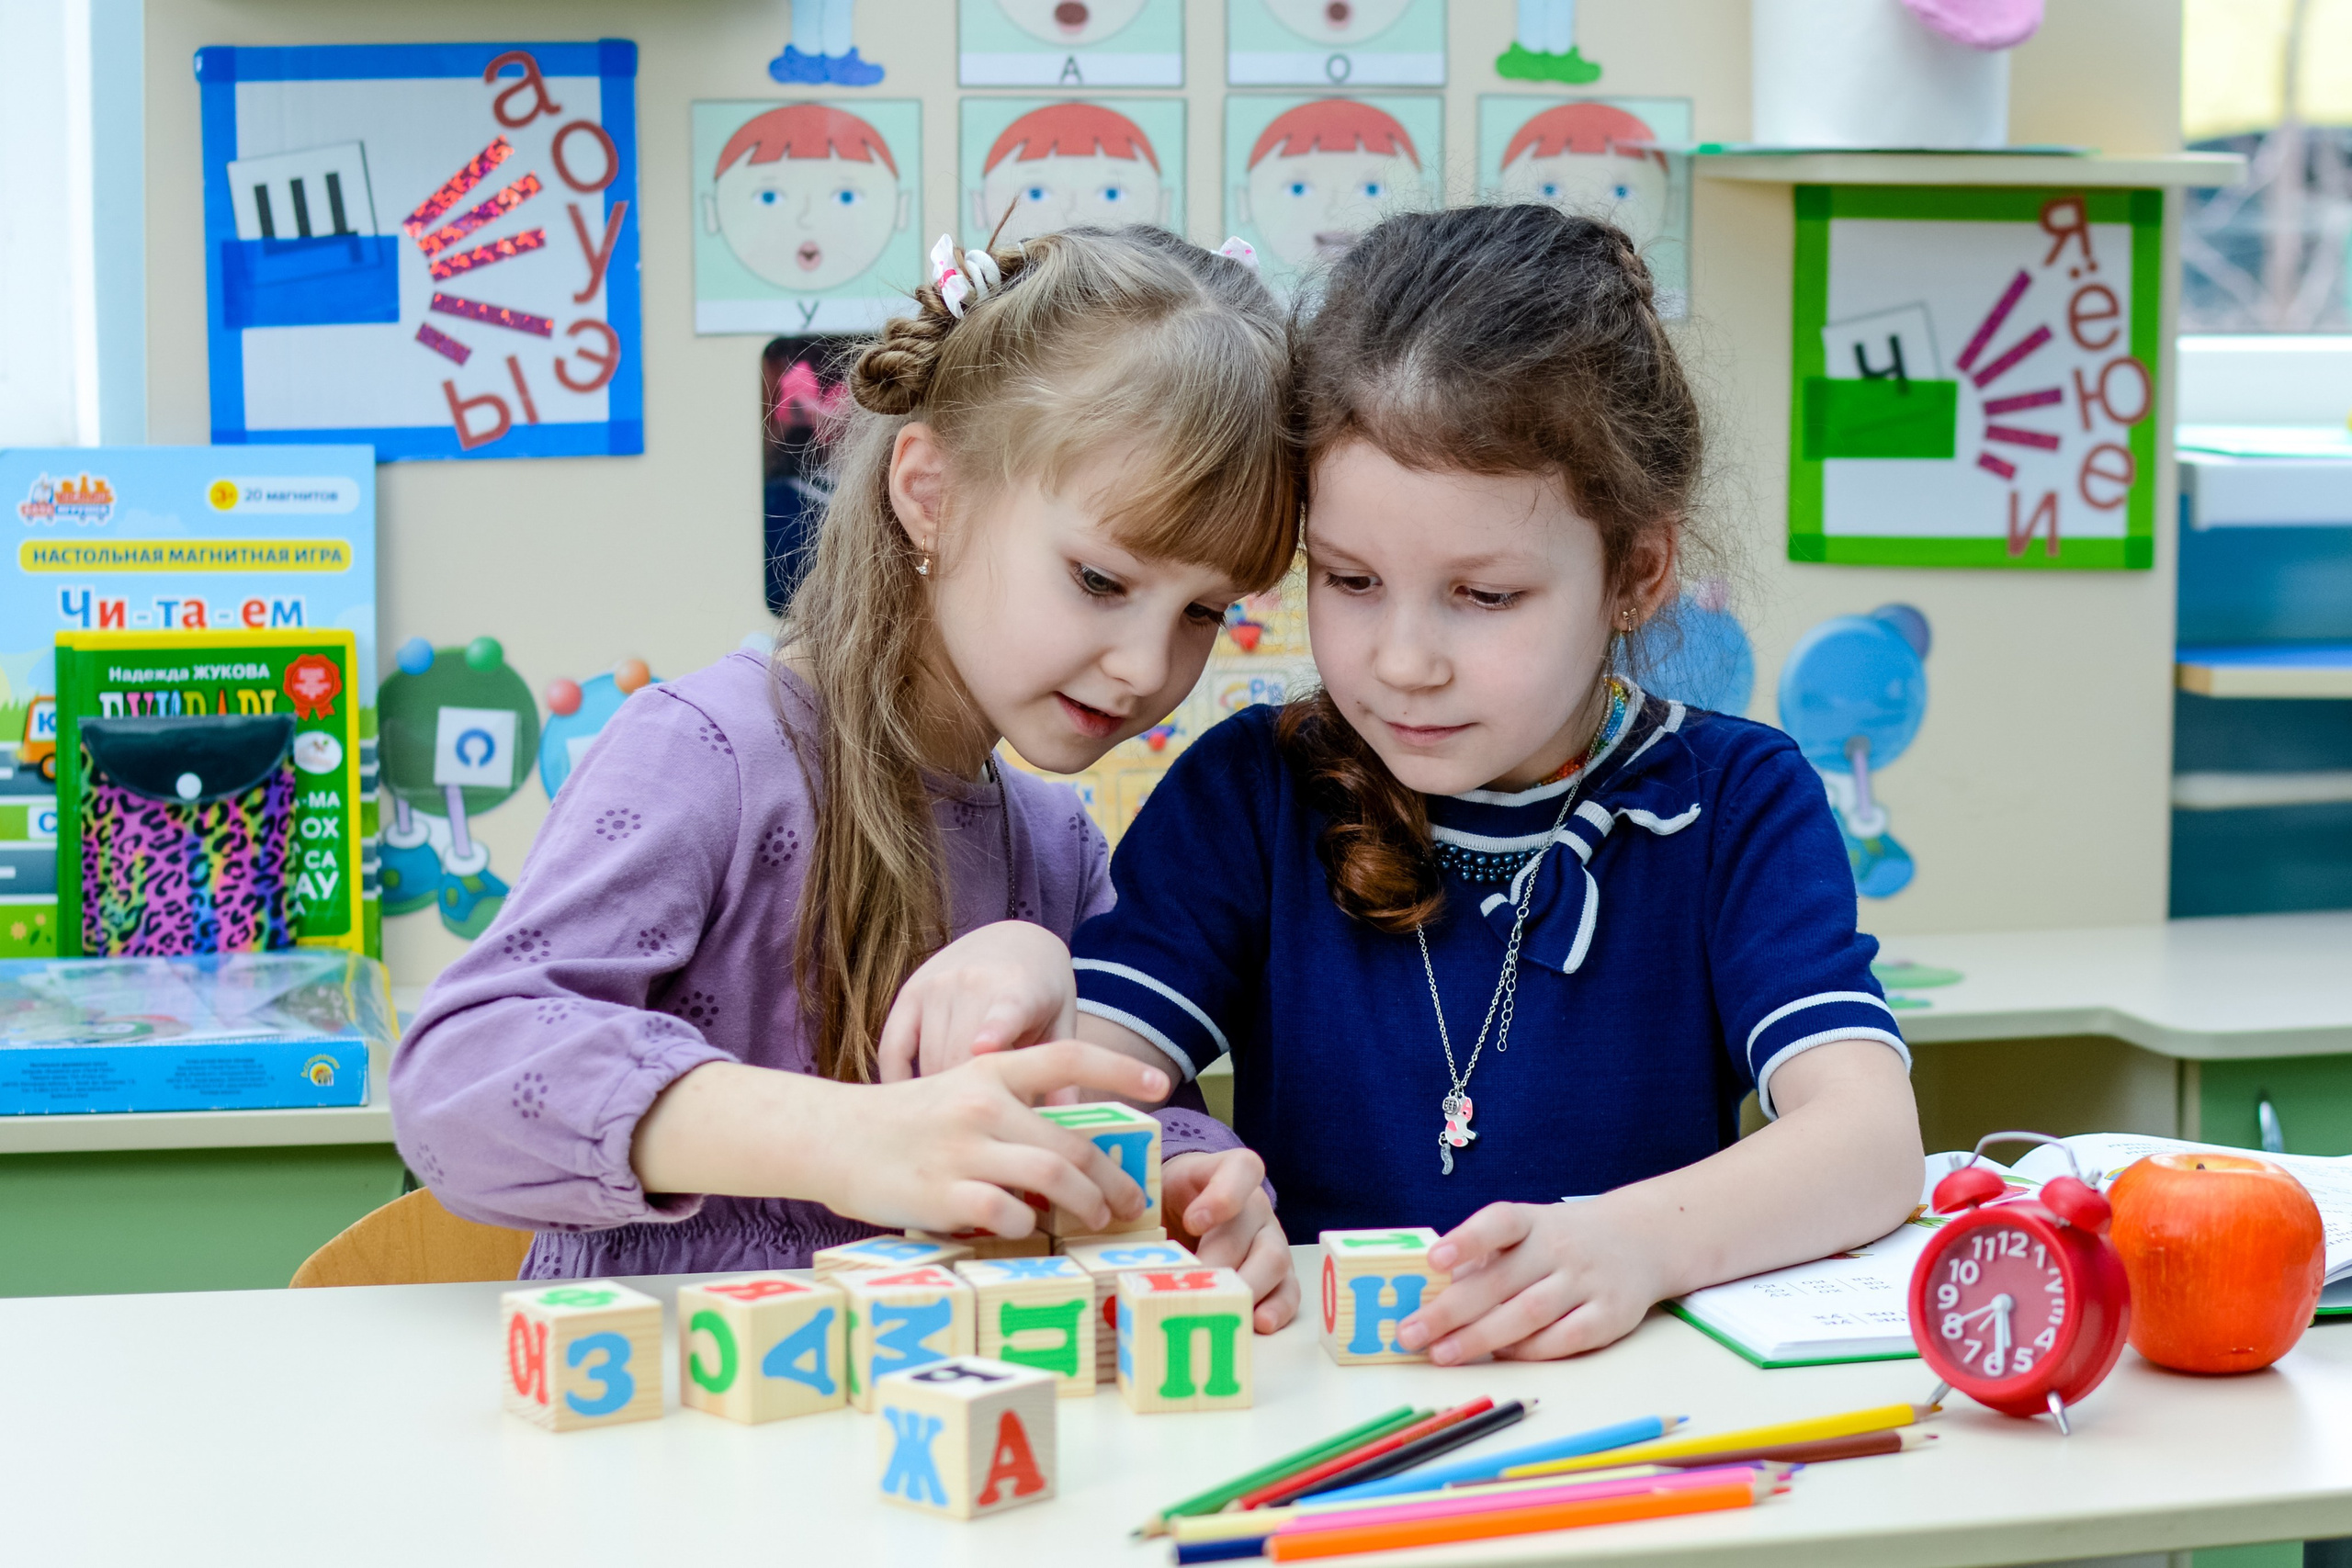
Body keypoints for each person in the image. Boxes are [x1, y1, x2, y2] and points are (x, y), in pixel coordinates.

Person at [978, 205, 1924, 1363]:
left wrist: (1634, 1244)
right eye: (1351, 579)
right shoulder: (1253, 795)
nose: (1403, 662)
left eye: (1482, 597)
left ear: (1634, 570)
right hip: (1330, 1417)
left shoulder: (1734, 803)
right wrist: (1163, 1159)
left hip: (1624, 1427)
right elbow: (1081, 1084)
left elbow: (1871, 1140)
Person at [390, 227, 1300, 1325]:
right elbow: (460, 1079)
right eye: (1101, 580)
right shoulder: (706, 753)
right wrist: (848, 1141)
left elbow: (1098, 1096)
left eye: (1204, 612)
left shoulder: (1056, 845)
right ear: (931, 492)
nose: (1150, 666)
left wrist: (1186, 1177)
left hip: (921, 1441)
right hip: (666, 1441)